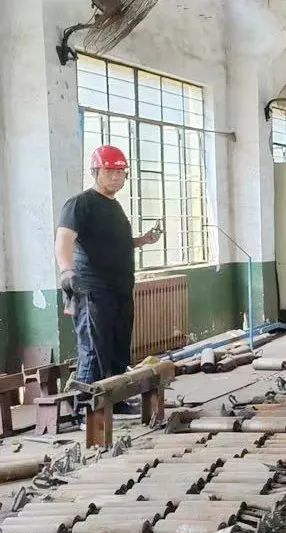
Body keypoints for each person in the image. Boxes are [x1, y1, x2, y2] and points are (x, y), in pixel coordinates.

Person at [54, 145, 161, 416]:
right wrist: (66, 272)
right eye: (109, 171)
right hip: (92, 290)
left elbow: (113, 243)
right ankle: (85, 410)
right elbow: (64, 240)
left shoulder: (114, 206)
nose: (116, 177)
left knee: (117, 348)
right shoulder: (80, 204)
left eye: (120, 172)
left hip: (120, 289)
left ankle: (115, 401)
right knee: (94, 350)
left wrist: (142, 240)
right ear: (95, 171)